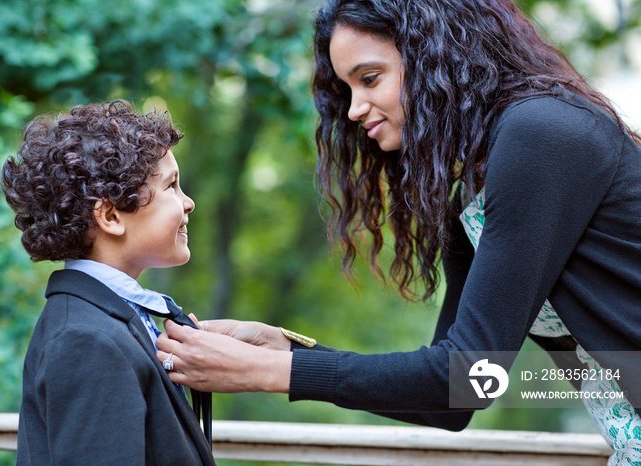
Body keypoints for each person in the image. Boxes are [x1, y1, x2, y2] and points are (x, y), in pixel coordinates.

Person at [155, 0, 641, 463]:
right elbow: (456, 395)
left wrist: (266, 373)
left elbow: (466, 374)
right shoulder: (471, 194)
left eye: (370, 79)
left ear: (436, 54)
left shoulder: (542, 132)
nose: (353, 109)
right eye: (347, 90)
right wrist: (288, 352)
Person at [1, 101, 215, 465]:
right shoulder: (86, 340)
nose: (188, 202)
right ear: (112, 216)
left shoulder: (105, 320)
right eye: (172, 186)